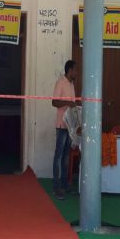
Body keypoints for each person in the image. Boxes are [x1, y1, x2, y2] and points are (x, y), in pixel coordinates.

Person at [51, 60, 77, 200]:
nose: (76, 72)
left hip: (70, 127)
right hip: (61, 125)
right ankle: (56, 187)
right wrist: (68, 103)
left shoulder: (72, 85)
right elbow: (54, 102)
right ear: (69, 70)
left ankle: (64, 185)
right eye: (75, 70)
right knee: (59, 156)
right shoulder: (60, 82)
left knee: (66, 156)